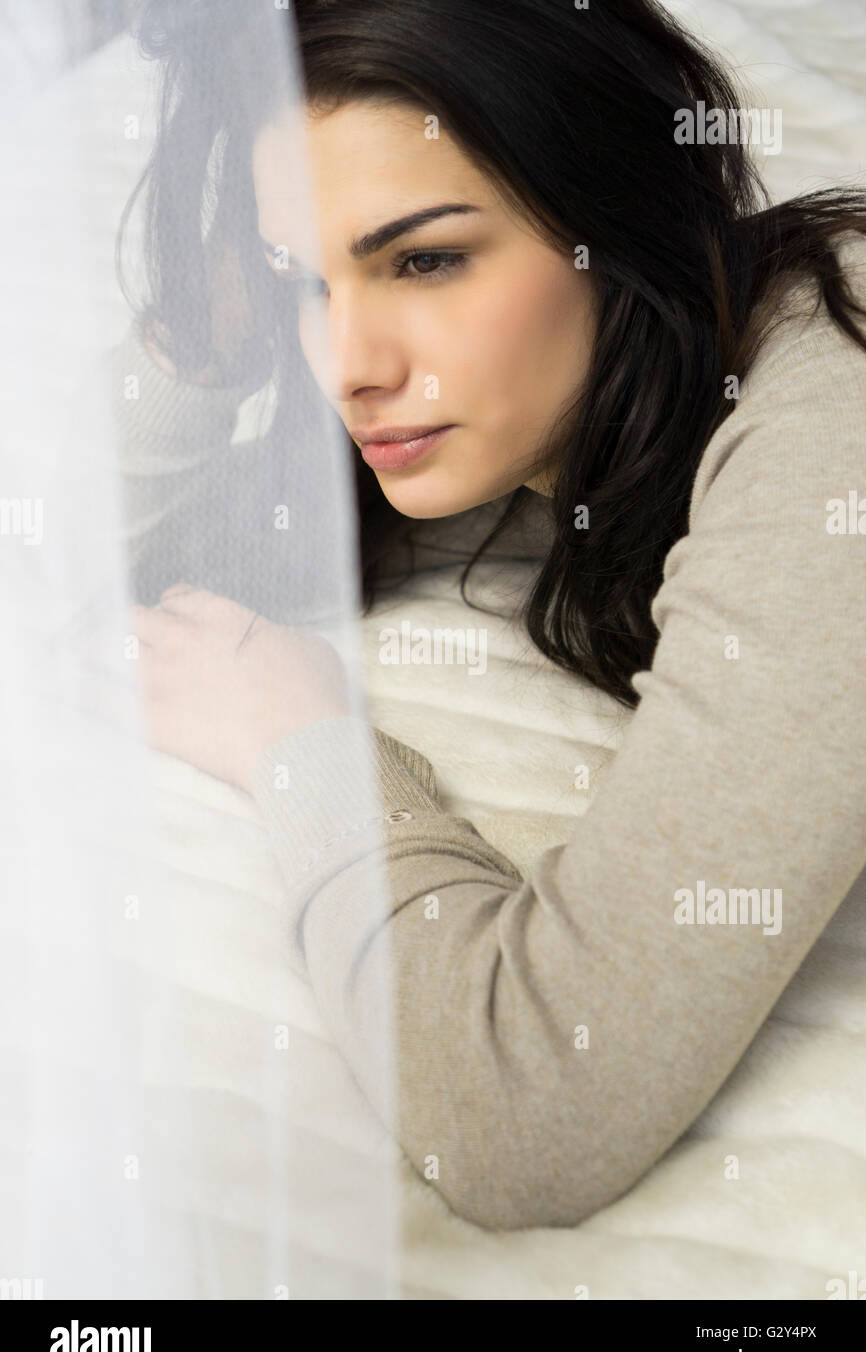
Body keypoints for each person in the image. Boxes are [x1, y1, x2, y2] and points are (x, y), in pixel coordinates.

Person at [108, 0, 866, 1229]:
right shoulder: (561, 409)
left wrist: (304, 746)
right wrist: (197, 335)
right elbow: (74, 574)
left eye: (424, 259)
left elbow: (526, 1112)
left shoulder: (832, 419)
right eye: (301, 281)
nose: (348, 363)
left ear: (608, 216)